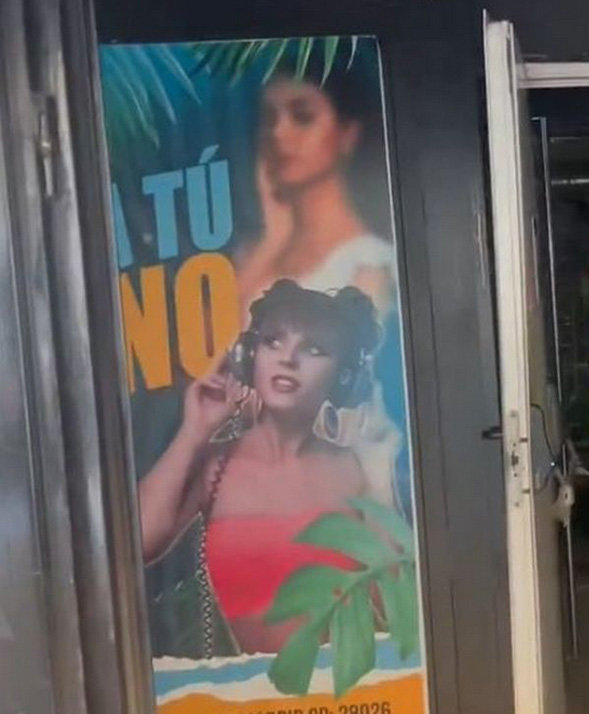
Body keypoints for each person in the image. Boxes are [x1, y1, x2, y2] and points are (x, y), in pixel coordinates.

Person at [138, 280, 388, 655]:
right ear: (246, 357)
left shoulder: (357, 468)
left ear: (345, 379)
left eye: (314, 349)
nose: (288, 358)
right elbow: (134, 543)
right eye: (273, 341)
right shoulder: (213, 468)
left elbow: (402, 611)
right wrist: (193, 432)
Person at [236, 56, 396, 317]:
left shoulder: (369, 270)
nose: (279, 132)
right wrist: (272, 242)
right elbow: (211, 352)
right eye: (269, 119)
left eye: (303, 116)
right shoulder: (254, 253)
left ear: (348, 134)